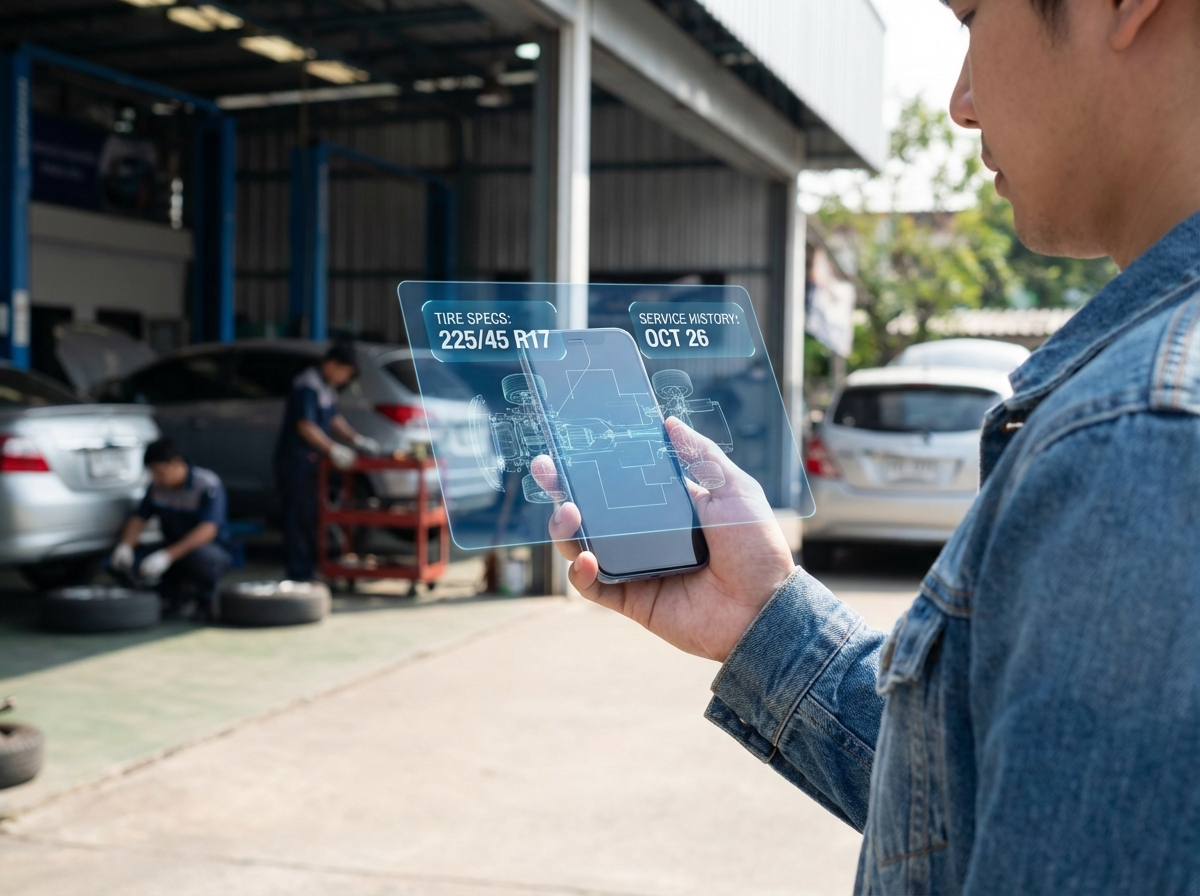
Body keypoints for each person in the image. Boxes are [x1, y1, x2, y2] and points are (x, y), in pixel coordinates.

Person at [534, 0, 1200, 892]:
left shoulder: (1146, 441)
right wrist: (763, 617)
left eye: (971, 19)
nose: (962, 101)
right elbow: (986, 810)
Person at [274, 342, 380, 581]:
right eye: (345, 373)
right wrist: (334, 449)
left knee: (311, 516)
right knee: (297, 517)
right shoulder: (308, 384)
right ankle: (299, 573)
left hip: (312, 463)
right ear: (333, 364)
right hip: (295, 461)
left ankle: (312, 567)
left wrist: (357, 439)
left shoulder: (326, 386)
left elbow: (333, 418)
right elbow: (305, 426)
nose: (344, 379)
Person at [111, 438, 233, 620]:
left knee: (203, 561)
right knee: (119, 563)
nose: (157, 478)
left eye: (160, 473)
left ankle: (204, 599)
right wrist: (126, 545)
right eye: (153, 473)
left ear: (176, 463)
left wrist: (166, 556)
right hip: (171, 547)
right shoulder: (156, 488)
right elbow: (139, 518)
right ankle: (169, 598)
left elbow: (208, 529)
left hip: (205, 550)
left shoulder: (206, 484)